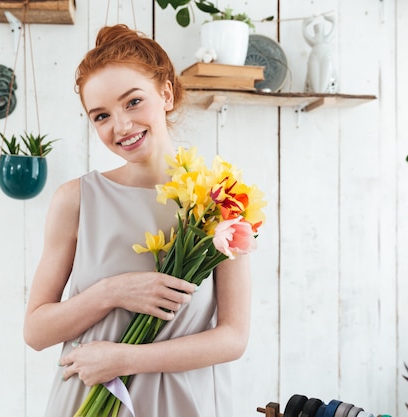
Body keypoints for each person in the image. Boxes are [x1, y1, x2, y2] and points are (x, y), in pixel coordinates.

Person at [23, 24, 251, 417]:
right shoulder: (75, 200)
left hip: (185, 405)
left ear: (165, 93)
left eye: (132, 102)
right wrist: (112, 292)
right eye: (101, 116)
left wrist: (126, 359)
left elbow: (232, 338)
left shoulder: (219, 200)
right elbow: (36, 332)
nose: (121, 126)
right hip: (85, 403)